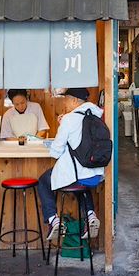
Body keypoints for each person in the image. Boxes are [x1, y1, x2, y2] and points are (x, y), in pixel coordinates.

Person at [37, 88, 103, 241]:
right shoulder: (97, 114)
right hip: (96, 174)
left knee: (44, 180)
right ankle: (90, 215)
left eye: (66, 99)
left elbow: (56, 151)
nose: (65, 103)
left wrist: (63, 126)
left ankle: (53, 219)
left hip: (78, 175)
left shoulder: (70, 119)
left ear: (74, 100)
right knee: (81, 183)